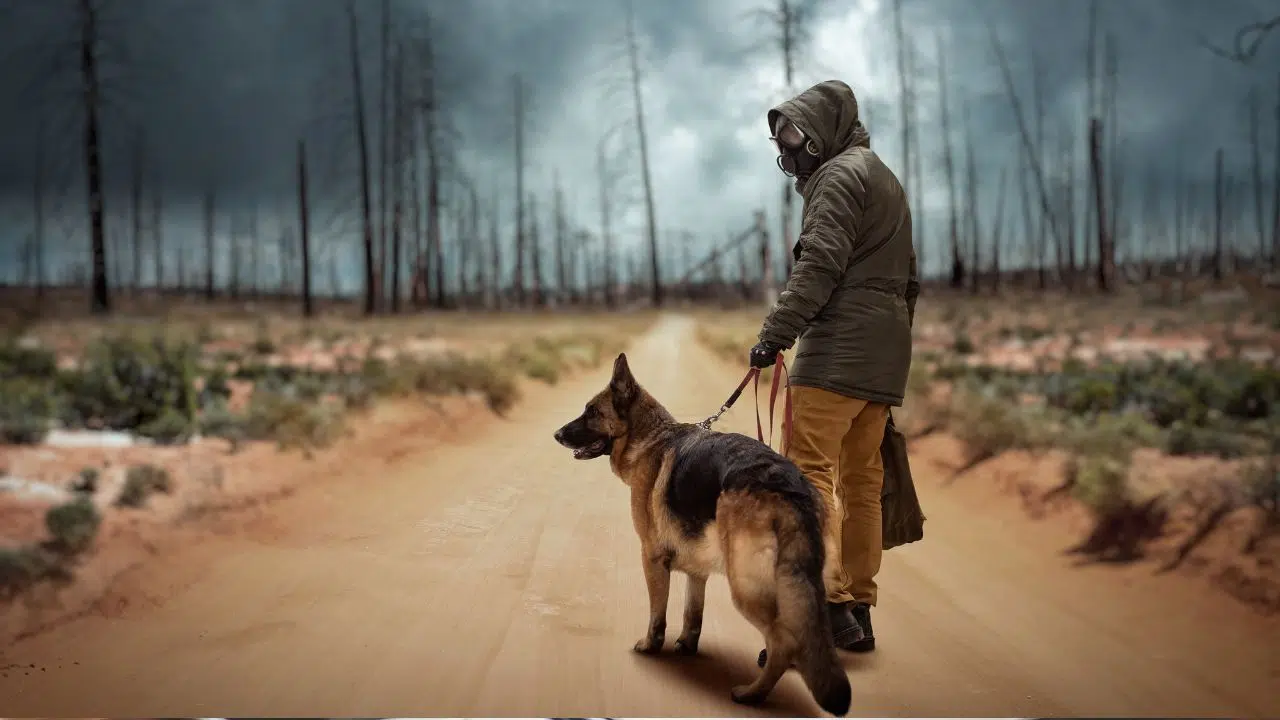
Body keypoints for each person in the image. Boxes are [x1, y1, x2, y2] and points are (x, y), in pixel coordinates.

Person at [750, 79, 918, 653]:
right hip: (883, 357)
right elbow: (909, 280)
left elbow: (819, 266)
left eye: (796, 135)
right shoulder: (883, 177)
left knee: (807, 478)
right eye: (780, 141)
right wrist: (890, 354)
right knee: (863, 483)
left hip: (837, 351)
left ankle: (819, 606)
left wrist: (774, 337)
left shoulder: (837, 177)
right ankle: (857, 611)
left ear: (825, 127)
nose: (790, 151)